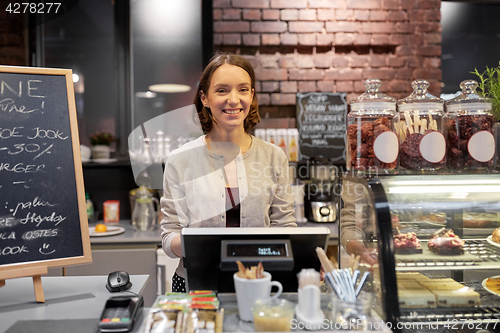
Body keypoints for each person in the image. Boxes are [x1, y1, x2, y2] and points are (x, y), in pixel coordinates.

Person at [160, 53, 297, 292]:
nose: (234, 100)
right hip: (195, 283)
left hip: (258, 282)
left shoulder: (274, 156)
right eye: (222, 90)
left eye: (243, 90)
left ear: (251, 95)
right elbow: (168, 237)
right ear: (205, 97)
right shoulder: (179, 160)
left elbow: (285, 226)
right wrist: (205, 244)